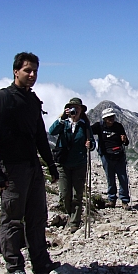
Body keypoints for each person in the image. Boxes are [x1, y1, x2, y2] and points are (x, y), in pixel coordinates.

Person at [0, 52, 61, 274]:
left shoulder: (33, 100)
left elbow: (40, 136)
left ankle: (40, 262)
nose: (32, 75)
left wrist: (50, 165)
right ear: (15, 71)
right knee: (12, 218)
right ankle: (14, 265)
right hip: (12, 168)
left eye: (35, 71)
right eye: (28, 70)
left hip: (32, 166)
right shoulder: (3, 98)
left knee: (37, 216)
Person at [48, 97, 94, 233]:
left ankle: (74, 222)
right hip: (63, 163)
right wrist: (62, 117)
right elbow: (51, 131)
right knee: (64, 194)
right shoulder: (63, 123)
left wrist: (90, 145)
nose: (75, 110)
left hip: (79, 163)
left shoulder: (84, 125)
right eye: (72, 107)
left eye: (77, 107)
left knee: (77, 194)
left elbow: (92, 142)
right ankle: (70, 215)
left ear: (81, 110)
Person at [91, 107, 131, 209]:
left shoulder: (118, 126)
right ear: (104, 118)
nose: (111, 119)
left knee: (123, 178)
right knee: (110, 178)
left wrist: (124, 140)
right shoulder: (99, 126)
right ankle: (112, 199)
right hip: (106, 156)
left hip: (119, 155)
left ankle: (124, 200)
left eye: (112, 117)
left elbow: (126, 143)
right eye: (109, 117)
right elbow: (88, 131)